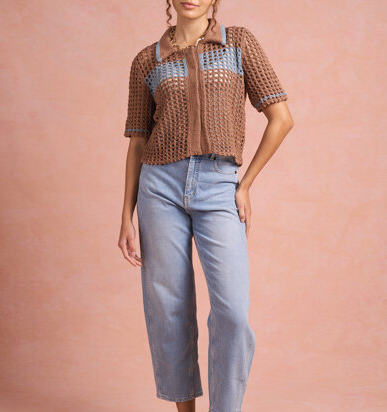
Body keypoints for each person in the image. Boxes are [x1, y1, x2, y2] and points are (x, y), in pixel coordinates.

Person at [118, 1, 294, 411]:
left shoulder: (239, 43)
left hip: (218, 185)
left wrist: (245, 184)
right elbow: (138, 142)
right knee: (169, 308)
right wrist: (126, 214)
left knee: (232, 312)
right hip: (158, 187)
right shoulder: (147, 60)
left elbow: (282, 118)